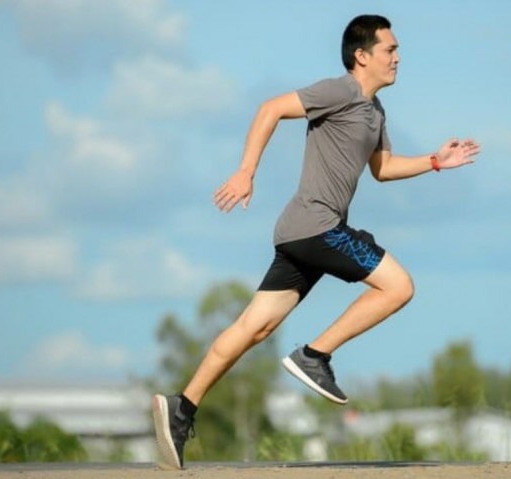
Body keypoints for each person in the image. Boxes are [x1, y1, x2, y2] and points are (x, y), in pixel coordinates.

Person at [152, 14, 480, 470]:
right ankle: (314, 355)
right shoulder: (340, 90)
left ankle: (181, 409)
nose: (398, 57)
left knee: (255, 327)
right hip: (317, 227)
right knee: (399, 287)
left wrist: (435, 161)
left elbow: (382, 169)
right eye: (390, 49)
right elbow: (270, 108)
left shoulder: (375, 112)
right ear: (361, 56)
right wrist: (246, 171)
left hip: (300, 233)